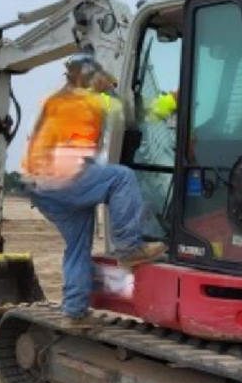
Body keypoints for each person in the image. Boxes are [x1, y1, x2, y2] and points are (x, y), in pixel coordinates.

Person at [23, 54, 165, 324]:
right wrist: (172, 100)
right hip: (63, 179)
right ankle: (128, 248)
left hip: (44, 189)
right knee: (121, 178)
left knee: (77, 249)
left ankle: (74, 310)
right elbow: (140, 113)